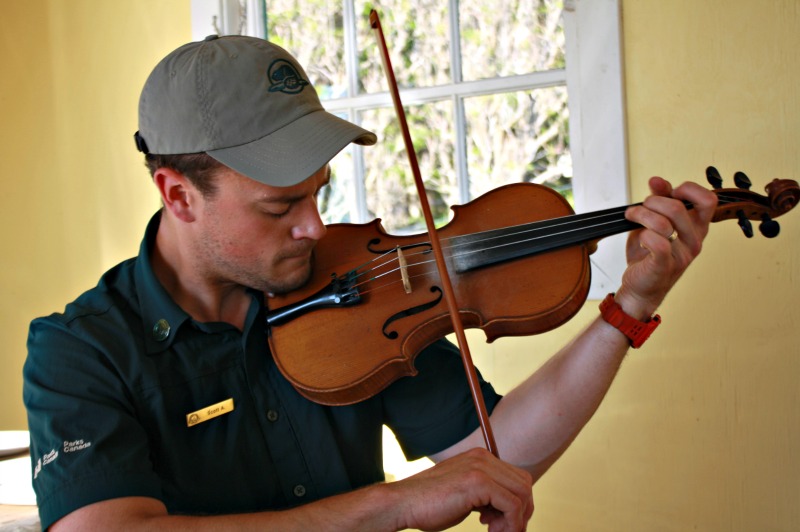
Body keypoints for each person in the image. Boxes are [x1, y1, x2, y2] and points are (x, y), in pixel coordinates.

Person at [23, 35, 717, 531]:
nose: (315, 228)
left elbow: (497, 449)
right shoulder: (80, 351)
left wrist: (630, 306)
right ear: (178, 196)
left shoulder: (347, 281)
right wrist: (395, 503)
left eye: (317, 192)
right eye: (280, 207)